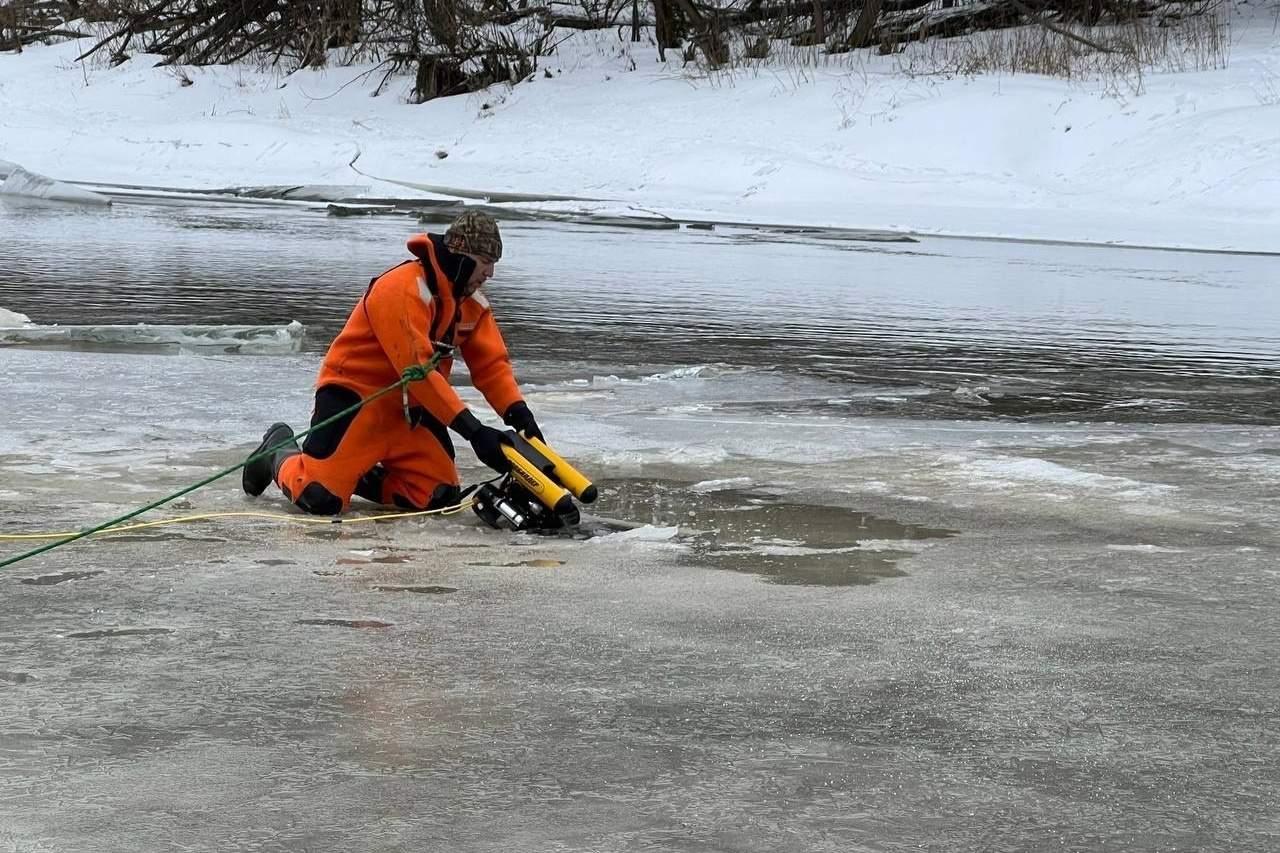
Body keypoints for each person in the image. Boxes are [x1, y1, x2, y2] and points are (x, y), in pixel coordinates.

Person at [240, 210, 543, 515]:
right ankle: (279, 451)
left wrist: (519, 415)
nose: (490, 273)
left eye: (494, 264)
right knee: (320, 497)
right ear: (461, 254)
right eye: (485, 262)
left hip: (411, 412)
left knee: (436, 498)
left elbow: (491, 366)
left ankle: (352, 471)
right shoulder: (400, 288)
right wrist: (474, 431)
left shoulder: (473, 304)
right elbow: (418, 371)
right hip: (357, 401)